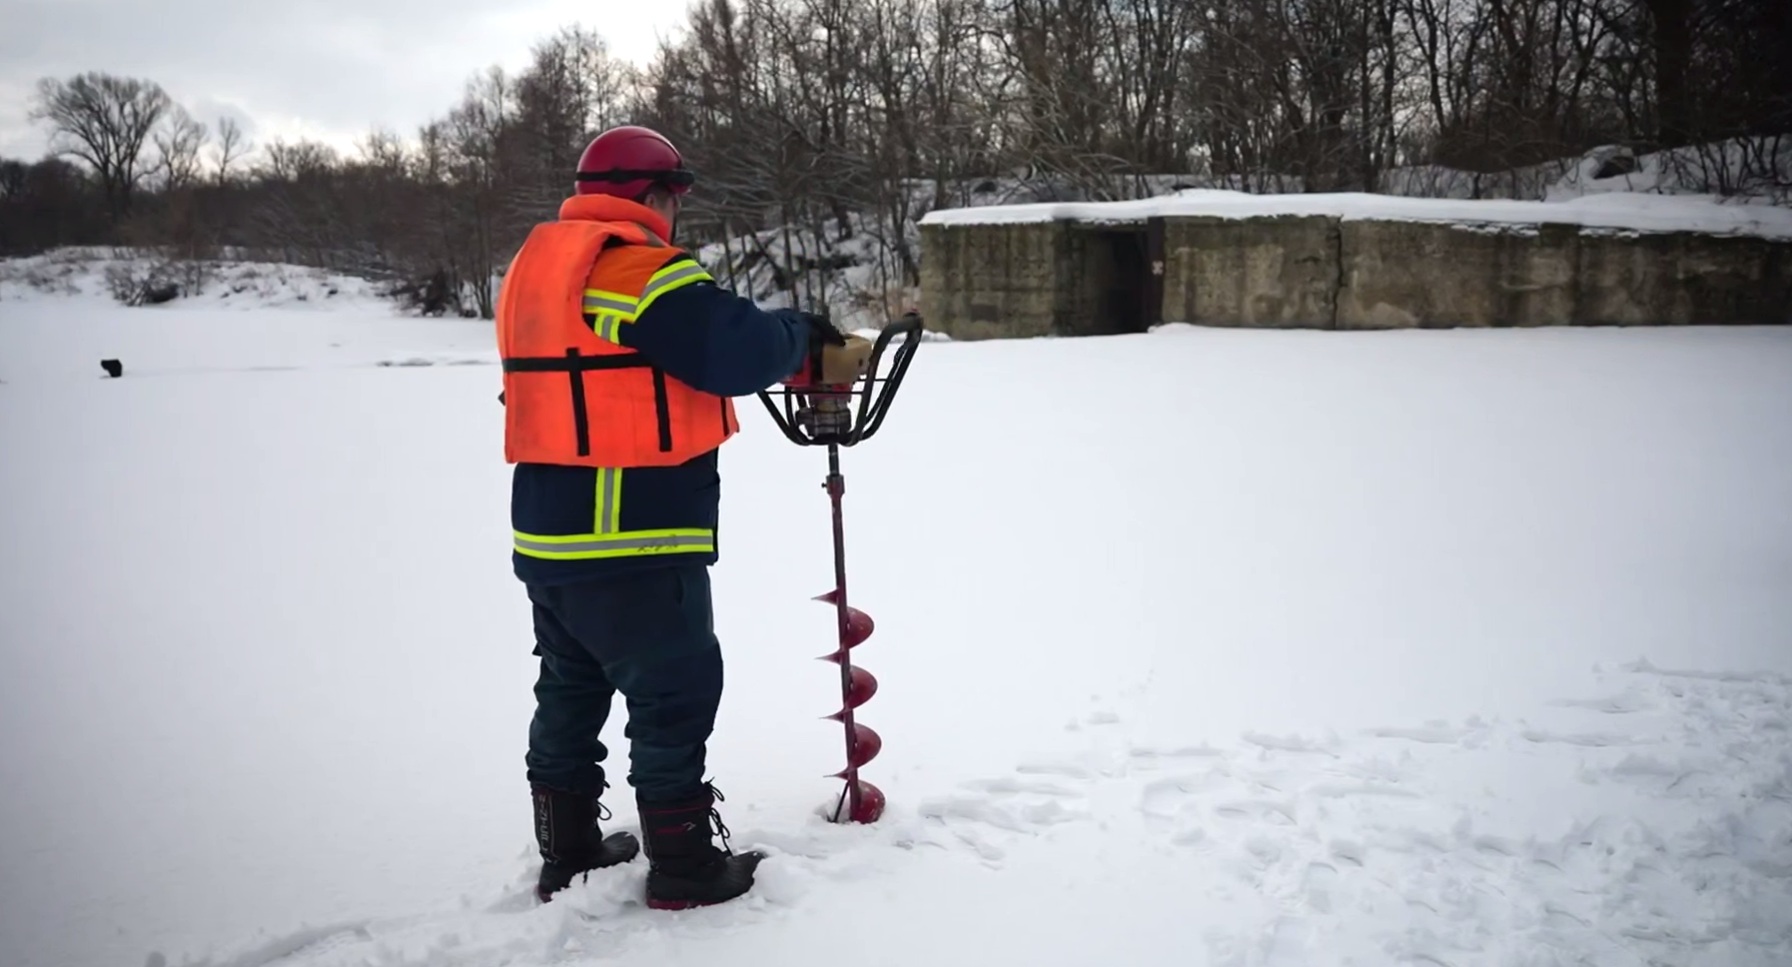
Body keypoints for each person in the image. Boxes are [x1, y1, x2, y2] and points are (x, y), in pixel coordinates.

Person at [493, 124, 871, 909]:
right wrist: (799, 331)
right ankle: (685, 864)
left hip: (549, 533)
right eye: (674, 198)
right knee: (673, 691)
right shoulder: (625, 266)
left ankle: (567, 848)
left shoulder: (536, 269)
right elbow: (725, 347)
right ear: (653, 196)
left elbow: (646, 358)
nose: (676, 215)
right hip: (630, 531)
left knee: (570, 684)